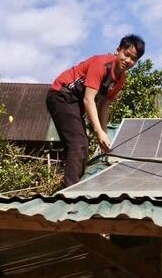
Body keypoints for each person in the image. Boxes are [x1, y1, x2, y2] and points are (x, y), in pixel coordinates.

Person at [46, 34, 145, 188]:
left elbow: (104, 105)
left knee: (79, 146)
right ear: (118, 50)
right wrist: (98, 132)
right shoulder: (101, 64)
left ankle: (71, 186)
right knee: (79, 143)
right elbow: (88, 99)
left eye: (133, 59)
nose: (128, 61)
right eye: (126, 55)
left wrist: (104, 134)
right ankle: (70, 193)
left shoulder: (120, 79)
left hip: (76, 103)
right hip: (62, 94)